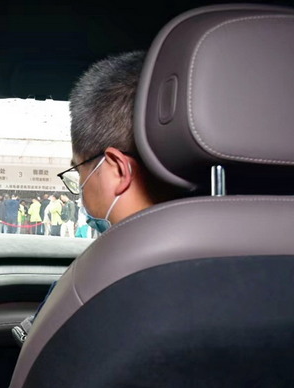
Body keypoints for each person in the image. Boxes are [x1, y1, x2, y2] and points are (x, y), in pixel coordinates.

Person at [17, 50, 183, 341]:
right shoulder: (261, 258)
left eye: (79, 169)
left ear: (116, 170)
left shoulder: (89, 287)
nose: (80, 185)